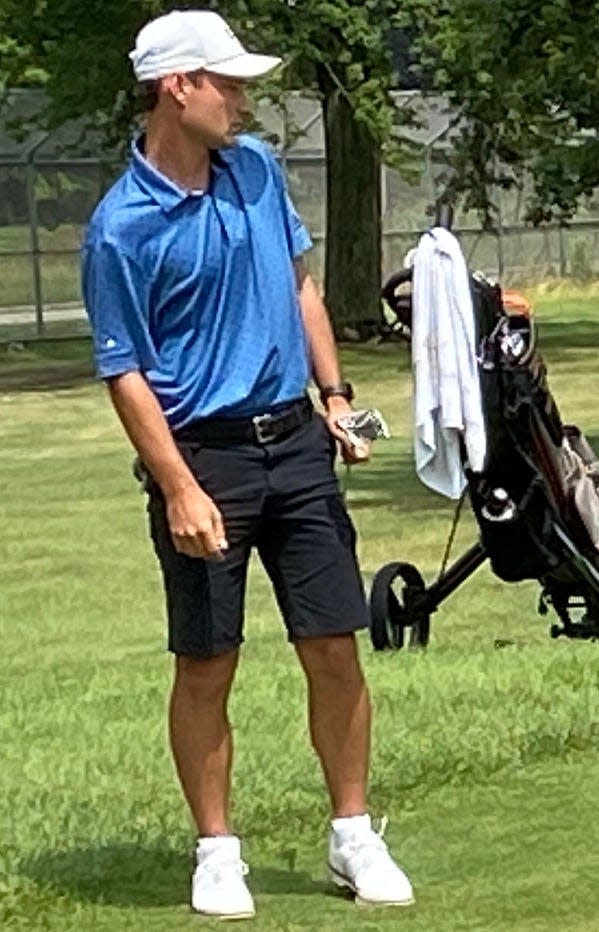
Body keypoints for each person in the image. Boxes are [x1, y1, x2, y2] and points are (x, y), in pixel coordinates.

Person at [82, 9, 414, 920]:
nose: (242, 98)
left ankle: (352, 836)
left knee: (334, 646)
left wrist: (336, 398)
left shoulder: (258, 172)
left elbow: (299, 285)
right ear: (176, 86)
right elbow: (126, 371)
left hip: (296, 446)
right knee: (207, 661)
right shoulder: (121, 227)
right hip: (205, 462)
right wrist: (180, 486)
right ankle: (216, 852)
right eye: (226, 82)